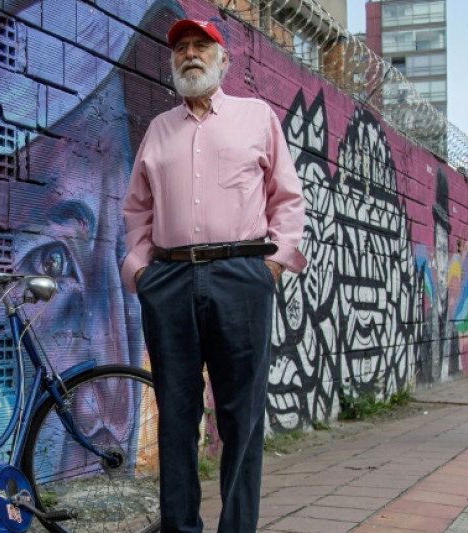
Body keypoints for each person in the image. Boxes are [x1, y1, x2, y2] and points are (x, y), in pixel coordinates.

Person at [121, 19, 307, 532]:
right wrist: (140, 271)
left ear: (224, 61)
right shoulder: (160, 129)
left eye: (202, 46)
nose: (190, 55)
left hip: (240, 275)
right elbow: (137, 209)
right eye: (181, 48)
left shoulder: (256, 117)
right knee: (177, 419)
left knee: (240, 418)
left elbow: (287, 198)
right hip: (171, 281)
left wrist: (270, 266)